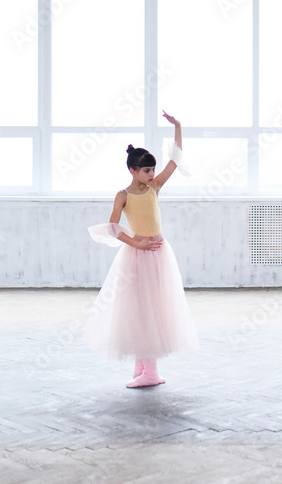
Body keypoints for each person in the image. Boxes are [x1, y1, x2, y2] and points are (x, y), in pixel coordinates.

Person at [84, 111, 199, 388]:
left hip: (158, 252)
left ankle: (151, 372)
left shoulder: (154, 188)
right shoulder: (123, 196)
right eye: (147, 170)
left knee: (154, 307)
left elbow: (175, 160)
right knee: (138, 308)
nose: (151, 174)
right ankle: (142, 364)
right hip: (137, 254)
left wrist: (178, 127)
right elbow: (113, 227)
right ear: (132, 171)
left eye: (152, 170)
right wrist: (136, 242)